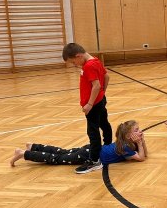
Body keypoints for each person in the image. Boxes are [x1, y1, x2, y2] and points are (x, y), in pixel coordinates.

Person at [62, 43, 113, 174]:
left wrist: (90, 104)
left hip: (93, 105)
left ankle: (94, 161)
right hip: (100, 100)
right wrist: (102, 93)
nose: (75, 65)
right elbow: (106, 77)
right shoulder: (95, 61)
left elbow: (96, 86)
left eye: (73, 62)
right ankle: (108, 147)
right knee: (104, 124)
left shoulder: (88, 66)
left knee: (92, 131)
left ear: (78, 56)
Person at [10, 120, 148, 167]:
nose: (140, 131)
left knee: (62, 152)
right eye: (137, 130)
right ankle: (24, 153)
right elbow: (141, 158)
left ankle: (33, 146)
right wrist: (140, 144)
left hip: (90, 150)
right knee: (58, 158)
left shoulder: (125, 144)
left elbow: (145, 154)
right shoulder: (125, 147)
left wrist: (141, 141)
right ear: (129, 136)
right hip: (88, 155)